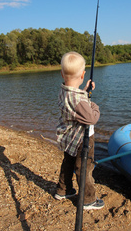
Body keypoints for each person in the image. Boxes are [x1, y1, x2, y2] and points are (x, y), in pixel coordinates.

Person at [54, 51, 104, 210]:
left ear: (62, 74)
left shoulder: (63, 91)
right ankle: (88, 200)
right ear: (83, 74)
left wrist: (85, 90)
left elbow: (75, 100)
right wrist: (94, 106)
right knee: (85, 167)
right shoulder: (81, 100)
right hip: (82, 138)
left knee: (68, 163)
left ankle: (63, 190)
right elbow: (91, 118)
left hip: (69, 136)